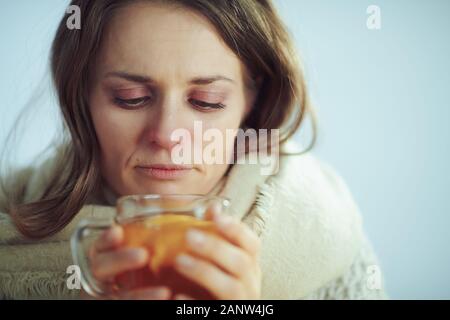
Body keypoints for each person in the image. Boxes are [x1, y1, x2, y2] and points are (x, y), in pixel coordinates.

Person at [0, 0, 388, 300]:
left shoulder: (323, 233)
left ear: (253, 99)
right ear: (81, 97)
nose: (169, 135)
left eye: (206, 101)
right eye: (130, 98)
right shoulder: (9, 224)